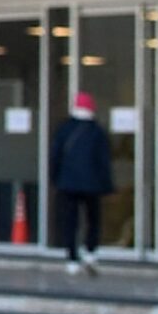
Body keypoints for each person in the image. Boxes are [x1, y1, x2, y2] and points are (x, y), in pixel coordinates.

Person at [50, 92, 113, 274]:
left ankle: (72, 258)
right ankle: (90, 251)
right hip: (92, 184)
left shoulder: (64, 129)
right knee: (93, 219)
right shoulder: (97, 131)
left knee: (70, 221)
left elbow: (55, 157)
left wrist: (56, 178)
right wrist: (106, 184)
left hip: (68, 184)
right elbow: (103, 161)